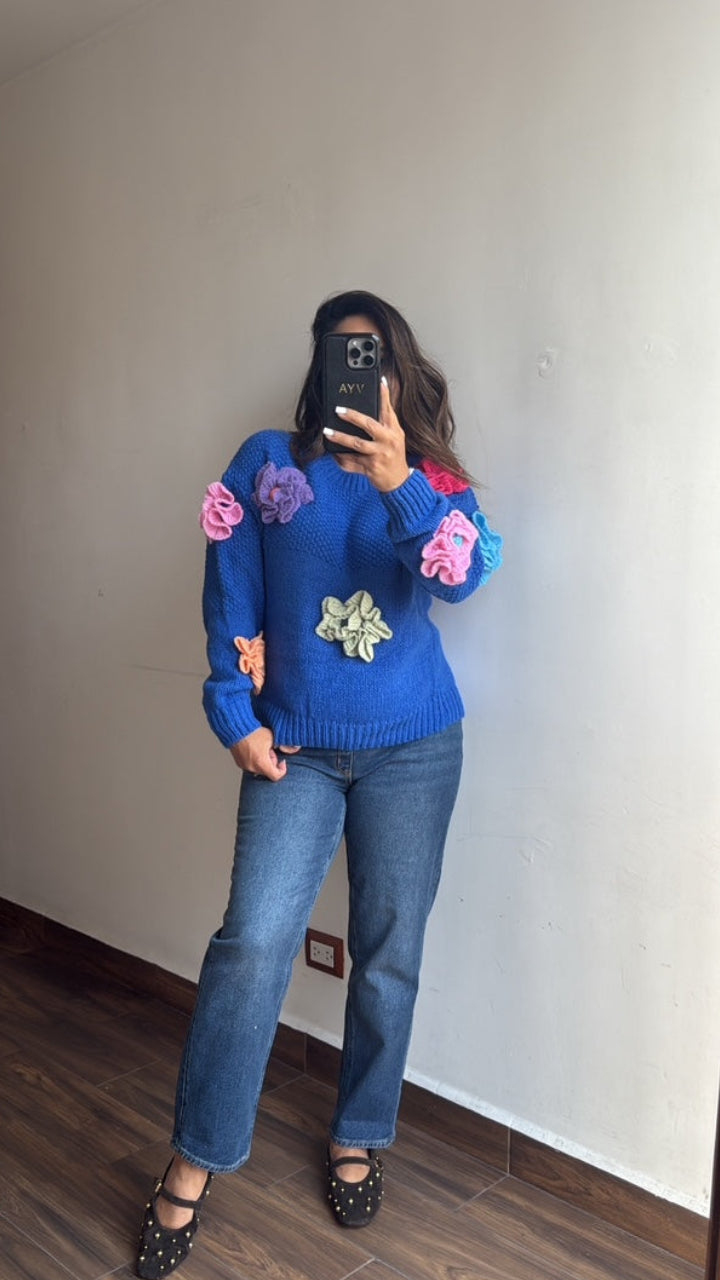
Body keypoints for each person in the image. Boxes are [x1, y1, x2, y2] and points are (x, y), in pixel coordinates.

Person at [135, 290, 502, 1278]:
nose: (355, 371)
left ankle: (359, 1133)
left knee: (389, 950)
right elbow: (232, 595)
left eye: (372, 355)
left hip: (416, 746)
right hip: (292, 748)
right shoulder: (268, 464)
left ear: (399, 370)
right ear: (318, 369)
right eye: (339, 354)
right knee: (252, 942)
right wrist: (235, 715)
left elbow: (459, 579)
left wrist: (402, 482)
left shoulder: (433, 480)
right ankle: (194, 1158)